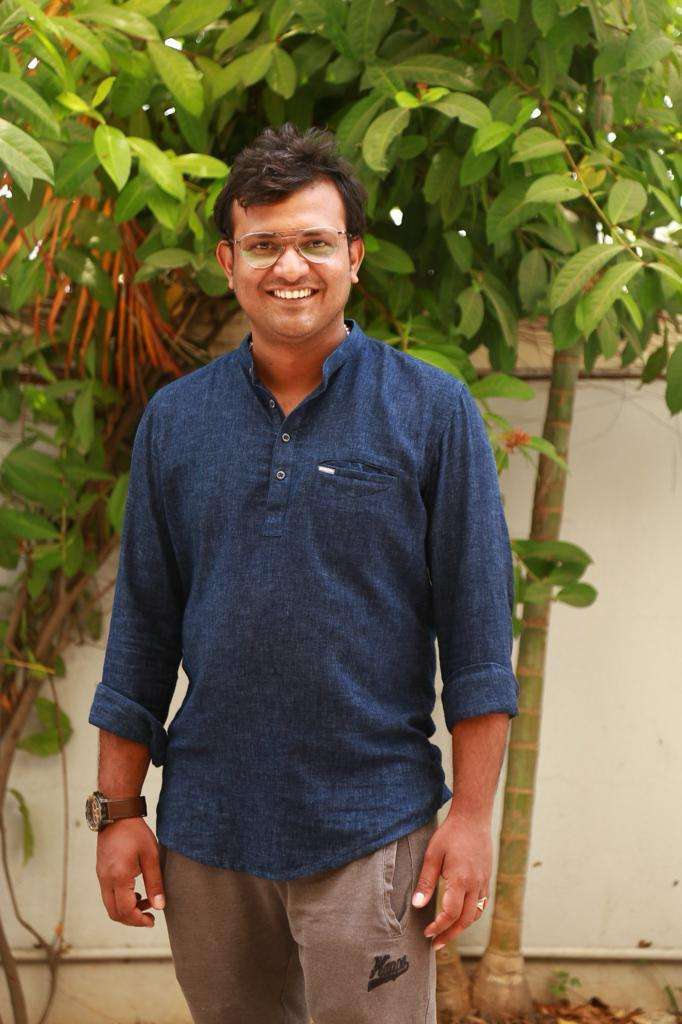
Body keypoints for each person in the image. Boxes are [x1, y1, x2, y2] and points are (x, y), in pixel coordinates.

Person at [86, 122, 520, 1024]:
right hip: (208, 833)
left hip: (372, 828)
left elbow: (479, 642)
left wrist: (473, 819)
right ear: (229, 261)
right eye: (264, 245)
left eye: (316, 242)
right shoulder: (176, 421)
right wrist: (119, 811)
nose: (291, 267)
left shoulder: (431, 411)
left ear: (354, 256)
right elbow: (141, 637)